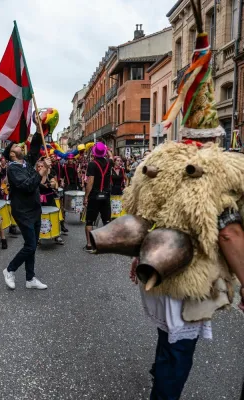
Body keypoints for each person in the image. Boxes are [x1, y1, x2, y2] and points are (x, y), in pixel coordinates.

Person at [124, 18, 244, 399]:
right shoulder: (213, 170)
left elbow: (138, 216)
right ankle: (163, 392)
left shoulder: (158, 163)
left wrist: (136, 260)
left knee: (167, 340)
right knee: (180, 351)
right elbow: (227, 229)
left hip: (156, 270)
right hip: (189, 278)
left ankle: (161, 381)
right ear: (213, 137)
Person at [2, 132, 49, 290]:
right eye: (16, 145)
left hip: (34, 209)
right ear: (12, 154)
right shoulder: (12, 169)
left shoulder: (25, 163)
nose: (20, 145)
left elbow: (35, 148)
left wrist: (39, 128)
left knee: (33, 244)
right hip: (23, 211)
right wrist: (41, 172)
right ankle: (9, 270)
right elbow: (28, 186)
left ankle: (30, 278)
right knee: (30, 245)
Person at [83, 142, 113, 252]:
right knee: (107, 221)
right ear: (104, 152)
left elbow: (90, 181)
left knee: (89, 221)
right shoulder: (109, 162)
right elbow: (111, 156)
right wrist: (107, 148)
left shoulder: (92, 164)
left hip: (95, 196)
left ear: (94, 153)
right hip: (106, 195)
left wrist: (86, 196)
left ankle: (89, 244)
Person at [36, 159, 64, 245]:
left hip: (49, 199)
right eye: (39, 166)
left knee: (54, 216)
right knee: (37, 218)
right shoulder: (35, 177)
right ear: (36, 168)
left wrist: (49, 184)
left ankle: (56, 235)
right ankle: (38, 237)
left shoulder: (49, 175)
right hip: (38, 200)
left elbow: (54, 183)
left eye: (42, 166)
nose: (40, 168)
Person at [110, 156, 127, 220]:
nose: (119, 162)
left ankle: (119, 217)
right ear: (114, 161)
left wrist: (126, 186)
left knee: (120, 204)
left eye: (120, 161)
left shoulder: (122, 170)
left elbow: (126, 179)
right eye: (118, 160)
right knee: (113, 204)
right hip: (112, 189)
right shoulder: (111, 170)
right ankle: (112, 217)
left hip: (120, 189)